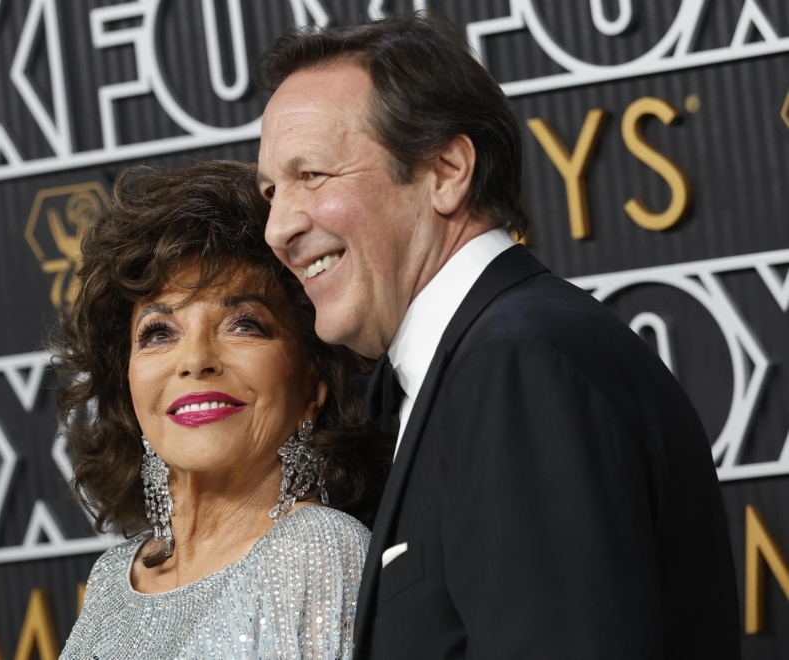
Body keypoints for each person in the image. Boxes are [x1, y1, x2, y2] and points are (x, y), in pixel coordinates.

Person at [255, 12, 741, 660]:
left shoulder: (515, 368)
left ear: (447, 170)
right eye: (270, 191)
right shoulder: (486, 363)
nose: (277, 227)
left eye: (311, 175)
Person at [53, 160, 391, 659]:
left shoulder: (315, 550)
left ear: (315, 380)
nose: (195, 361)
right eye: (158, 332)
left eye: (244, 324)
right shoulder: (114, 577)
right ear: (127, 385)